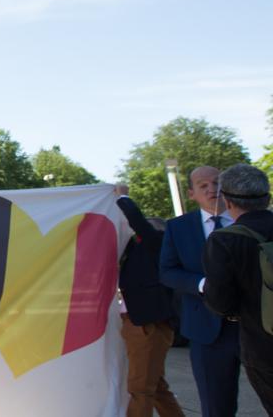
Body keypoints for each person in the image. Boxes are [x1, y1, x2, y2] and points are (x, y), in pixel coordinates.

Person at [160, 166, 240, 417]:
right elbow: (167, 272)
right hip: (206, 331)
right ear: (191, 193)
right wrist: (201, 284)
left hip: (253, 328)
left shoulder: (248, 220)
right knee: (216, 406)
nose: (212, 189)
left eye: (217, 182)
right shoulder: (178, 227)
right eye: (203, 185)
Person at [203, 165, 273, 413]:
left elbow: (220, 302)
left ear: (227, 200)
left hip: (262, 345)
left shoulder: (225, 239)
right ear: (268, 198)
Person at [115, 186, 184, 417]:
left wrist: (122, 198)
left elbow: (139, 223)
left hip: (148, 325)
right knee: (156, 386)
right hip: (139, 322)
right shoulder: (137, 251)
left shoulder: (158, 243)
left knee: (140, 388)